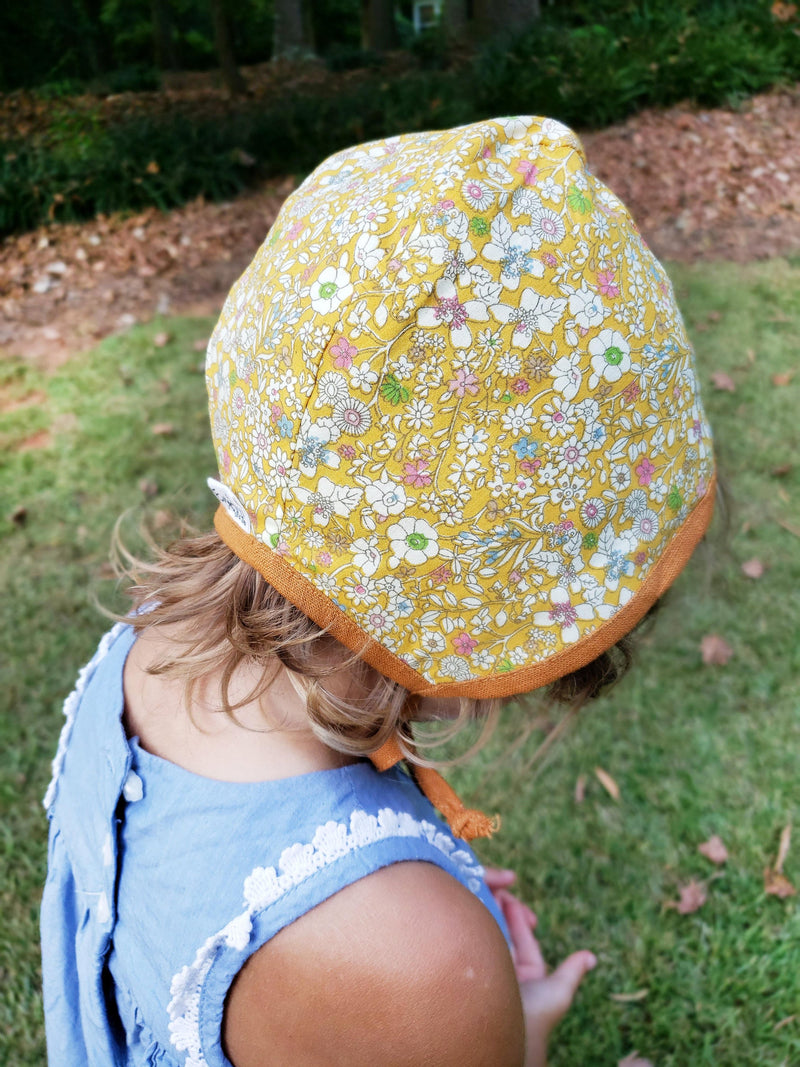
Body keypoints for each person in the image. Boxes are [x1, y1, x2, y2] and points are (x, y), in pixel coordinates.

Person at [41, 115, 715, 1067]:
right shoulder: (415, 966)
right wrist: (504, 1030)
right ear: (505, 597)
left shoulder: (145, 647)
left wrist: (390, 880)